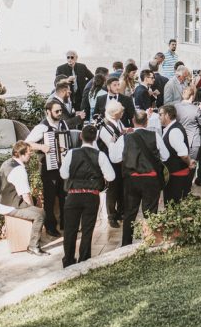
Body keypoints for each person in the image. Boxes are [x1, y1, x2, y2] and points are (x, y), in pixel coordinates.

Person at [59, 125, 115, 267]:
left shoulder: (72, 153)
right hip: (91, 196)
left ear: (80, 136)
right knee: (87, 230)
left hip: (73, 196)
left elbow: (64, 174)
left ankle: (68, 261)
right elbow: (111, 176)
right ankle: (84, 260)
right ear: (95, 138)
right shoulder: (100, 155)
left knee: (70, 230)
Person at [113, 110, 169, 246]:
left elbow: (115, 158)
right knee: (150, 214)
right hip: (151, 180)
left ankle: (126, 245)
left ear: (133, 121)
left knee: (129, 214)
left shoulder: (124, 138)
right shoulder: (154, 136)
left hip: (132, 180)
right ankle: (150, 242)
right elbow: (166, 156)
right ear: (146, 122)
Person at [25, 99, 71, 238]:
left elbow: (67, 140)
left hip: (62, 166)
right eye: (56, 111)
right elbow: (27, 143)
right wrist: (42, 147)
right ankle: (50, 226)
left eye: (60, 111)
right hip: (48, 167)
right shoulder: (42, 127)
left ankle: (65, 223)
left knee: (64, 195)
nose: (59, 113)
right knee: (50, 198)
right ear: (48, 112)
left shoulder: (63, 123)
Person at [0, 141, 49, 256]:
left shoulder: (8, 162)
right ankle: (33, 246)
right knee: (40, 214)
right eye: (29, 154)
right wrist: (33, 209)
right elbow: (26, 196)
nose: (30, 155)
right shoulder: (19, 170)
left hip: (2, 201)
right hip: (8, 206)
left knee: (36, 205)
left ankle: (35, 235)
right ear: (21, 154)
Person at [98, 99, 130, 228]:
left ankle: (121, 211)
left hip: (120, 161)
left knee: (122, 187)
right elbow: (111, 146)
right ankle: (111, 215)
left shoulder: (117, 122)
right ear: (115, 114)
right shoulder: (105, 128)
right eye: (121, 111)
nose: (123, 112)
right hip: (110, 162)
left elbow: (120, 133)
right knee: (112, 189)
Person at [159, 104, 195, 203]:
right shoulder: (171, 128)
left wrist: (189, 163)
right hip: (172, 176)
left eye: (161, 114)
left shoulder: (174, 131)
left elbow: (183, 154)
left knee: (174, 205)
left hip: (176, 177)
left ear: (167, 115)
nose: (159, 117)